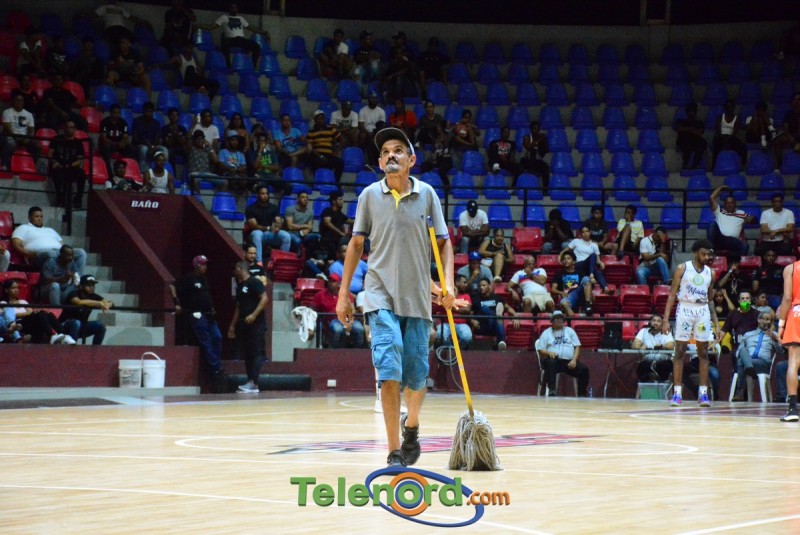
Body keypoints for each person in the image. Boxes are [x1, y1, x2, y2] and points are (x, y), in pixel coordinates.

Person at [336, 126, 455, 467]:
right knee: (389, 370)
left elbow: (444, 243)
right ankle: (393, 451)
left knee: (416, 376)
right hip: (379, 295)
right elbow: (356, 244)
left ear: (411, 160)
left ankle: (411, 427)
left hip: (417, 298)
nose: (391, 155)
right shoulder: (369, 196)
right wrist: (344, 294)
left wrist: (447, 284)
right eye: (386, 151)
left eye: (398, 150)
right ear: (379, 162)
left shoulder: (427, 195)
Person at [662, 239, 719, 407]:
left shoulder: (711, 273)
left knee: (703, 353)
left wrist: (716, 324)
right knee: (679, 351)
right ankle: (677, 394)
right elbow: (672, 295)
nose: (706, 257)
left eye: (708, 254)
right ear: (695, 252)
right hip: (685, 309)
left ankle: (703, 394)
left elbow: (710, 300)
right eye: (703, 254)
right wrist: (665, 320)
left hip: (702, 311)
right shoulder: (682, 268)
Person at [171, 255, 225, 387]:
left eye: (206, 264)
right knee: (206, 341)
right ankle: (216, 368)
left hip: (209, 314)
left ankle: (216, 364)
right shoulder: (189, 278)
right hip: (197, 314)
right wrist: (176, 303)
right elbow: (172, 286)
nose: (205, 267)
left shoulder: (204, 279)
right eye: (203, 264)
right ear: (197, 265)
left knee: (218, 337)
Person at [228, 261, 268, 393]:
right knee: (247, 353)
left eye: (235, 268)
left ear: (240, 269)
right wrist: (232, 325)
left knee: (256, 352)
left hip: (256, 324)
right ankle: (250, 381)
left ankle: (253, 382)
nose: (234, 271)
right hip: (244, 324)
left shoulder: (254, 282)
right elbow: (238, 307)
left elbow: (264, 299)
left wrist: (254, 315)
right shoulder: (240, 286)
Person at [12, 207, 87, 272]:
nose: (39, 219)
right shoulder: (23, 228)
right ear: (29, 217)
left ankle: (77, 279)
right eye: (36, 217)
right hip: (38, 256)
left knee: (81, 253)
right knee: (51, 253)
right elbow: (16, 245)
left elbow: (62, 244)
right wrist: (29, 254)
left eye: (41, 217)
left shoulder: (50, 230)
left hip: (58, 253)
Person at [1, 279, 75, 344]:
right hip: (18, 324)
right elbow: (8, 316)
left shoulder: (22, 301)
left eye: (17, 288)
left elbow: (30, 311)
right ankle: (51, 336)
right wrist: (25, 313)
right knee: (41, 313)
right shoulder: (3, 303)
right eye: (13, 288)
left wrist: (19, 314)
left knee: (49, 314)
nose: (16, 290)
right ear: (6, 290)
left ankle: (64, 335)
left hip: (29, 322)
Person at [198, 2, 267, 67]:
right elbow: (211, 27)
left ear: (237, 9)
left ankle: (253, 66)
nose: (234, 9)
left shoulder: (241, 18)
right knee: (224, 43)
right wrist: (199, 25)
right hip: (230, 40)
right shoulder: (224, 17)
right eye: (232, 7)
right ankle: (228, 66)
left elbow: (252, 28)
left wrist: (264, 32)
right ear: (229, 9)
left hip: (240, 39)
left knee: (257, 46)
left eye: (235, 8)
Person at [537, 310, 590, 396]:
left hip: (569, 362)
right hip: (554, 360)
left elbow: (577, 346)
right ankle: (552, 390)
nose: (559, 320)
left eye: (561, 318)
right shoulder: (546, 333)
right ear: (552, 321)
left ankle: (582, 394)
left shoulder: (570, 331)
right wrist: (549, 353)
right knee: (550, 363)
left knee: (584, 369)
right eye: (557, 318)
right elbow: (540, 350)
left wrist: (574, 360)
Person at [732, 311, 781, 400]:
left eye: (770, 320)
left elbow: (780, 351)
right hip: (749, 359)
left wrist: (775, 339)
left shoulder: (774, 335)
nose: (768, 322)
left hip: (763, 363)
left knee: (740, 362)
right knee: (742, 350)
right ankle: (749, 367)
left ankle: (740, 392)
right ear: (759, 320)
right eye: (766, 319)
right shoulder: (748, 334)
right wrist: (746, 359)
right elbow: (737, 353)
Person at [311, 272, 364, 349]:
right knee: (337, 329)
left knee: (359, 328)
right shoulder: (320, 295)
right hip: (331, 320)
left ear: (339, 284)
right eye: (329, 281)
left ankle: (356, 349)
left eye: (333, 281)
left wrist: (347, 321)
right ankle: (336, 350)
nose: (330, 283)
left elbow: (352, 310)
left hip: (347, 319)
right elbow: (312, 308)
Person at [60, 275, 112, 345]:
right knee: (76, 323)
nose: (91, 287)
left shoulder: (93, 296)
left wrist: (108, 304)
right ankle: (71, 348)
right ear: (81, 286)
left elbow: (108, 302)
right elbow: (79, 302)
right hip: (65, 325)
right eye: (88, 285)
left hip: (82, 325)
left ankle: (96, 350)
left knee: (101, 325)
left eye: (93, 285)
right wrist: (99, 303)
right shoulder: (73, 294)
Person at [778, 256, 800, 421]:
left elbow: (787, 298)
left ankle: (793, 410)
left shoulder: (791, 269)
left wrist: (781, 324)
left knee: (793, 362)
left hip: (797, 314)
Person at [245, 186, 291, 263]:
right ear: (258, 195)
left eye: (266, 193)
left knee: (286, 236)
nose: (265, 195)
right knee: (257, 234)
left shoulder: (273, 207)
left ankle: (282, 261)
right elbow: (255, 226)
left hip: (270, 234)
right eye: (262, 193)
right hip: (257, 233)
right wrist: (268, 228)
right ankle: (259, 262)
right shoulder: (250, 208)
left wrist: (278, 226)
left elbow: (278, 220)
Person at [707, 185, 755, 256]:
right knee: (712, 224)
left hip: (732, 241)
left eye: (731, 203)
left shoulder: (741, 213)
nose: (729, 205)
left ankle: (738, 262)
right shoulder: (719, 211)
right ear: (724, 204)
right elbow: (711, 197)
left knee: (745, 245)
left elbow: (753, 220)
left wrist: (751, 218)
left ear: (735, 204)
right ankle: (710, 251)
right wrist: (720, 187)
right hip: (719, 239)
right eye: (727, 203)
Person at [50, 120, 87, 208]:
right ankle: (60, 198)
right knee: (57, 173)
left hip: (71, 167)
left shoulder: (78, 143)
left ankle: (78, 198)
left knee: (82, 174)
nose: (69, 129)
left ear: (74, 129)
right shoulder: (57, 139)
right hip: (59, 166)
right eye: (67, 127)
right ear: (64, 128)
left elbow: (80, 160)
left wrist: (69, 165)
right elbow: (50, 153)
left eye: (71, 127)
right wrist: (54, 162)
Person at [633, 314, 676, 383]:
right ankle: (646, 386)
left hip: (663, 362)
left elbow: (671, 345)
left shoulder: (666, 332)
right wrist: (642, 346)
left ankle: (662, 385)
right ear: (650, 322)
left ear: (662, 324)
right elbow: (634, 345)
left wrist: (662, 346)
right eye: (654, 320)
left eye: (658, 321)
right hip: (647, 361)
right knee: (641, 367)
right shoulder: (643, 331)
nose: (655, 323)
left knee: (667, 365)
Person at [435, 274, 473, 349]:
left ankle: (456, 350)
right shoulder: (444, 294)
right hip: (445, 323)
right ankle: (451, 350)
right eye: (464, 282)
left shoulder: (466, 296)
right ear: (457, 283)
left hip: (461, 323)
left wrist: (451, 307)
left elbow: (467, 310)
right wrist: (455, 294)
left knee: (467, 337)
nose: (466, 285)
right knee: (441, 335)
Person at [305, 110, 344, 183]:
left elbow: (342, 140)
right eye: (318, 119)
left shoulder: (331, 129)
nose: (320, 121)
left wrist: (336, 152)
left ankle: (336, 182)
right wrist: (320, 156)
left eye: (322, 118)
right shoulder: (311, 132)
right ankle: (317, 183)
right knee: (314, 162)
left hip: (329, 155)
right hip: (317, 155)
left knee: (340, 163)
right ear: (315, 120)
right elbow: (310, 147)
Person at [552, 250, 593, 317]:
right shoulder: (559, 273)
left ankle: (587, 305)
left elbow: (587, 282)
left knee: (586, 278)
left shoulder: (580, 273)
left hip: (578, 294)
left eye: (568, 258)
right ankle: (574, 320)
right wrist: (561, 293)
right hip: (568, 297)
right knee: (564, 303)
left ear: (574, 261)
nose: (566, 260)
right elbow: (553, 289)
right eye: (564, 259)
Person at [1, 93, 37, 170]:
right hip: (11, 136)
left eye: (21, 100)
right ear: (13, 101)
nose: (19, 102)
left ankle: (33, 165)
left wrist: (28, 138)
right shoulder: (7, 112)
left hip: (24, 137)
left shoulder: (28, 114)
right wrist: (16, 137)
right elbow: (7, 128)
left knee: (37, 146)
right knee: (11, 144)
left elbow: (31, 129)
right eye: (17, 100)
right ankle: (5, 165)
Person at [132, 102, 167, 171]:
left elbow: (157, 137)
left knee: (164, 149)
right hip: (140, 144)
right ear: (144, 111)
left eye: (151, 112)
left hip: (152, 145)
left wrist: (152, 146)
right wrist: (146, 143)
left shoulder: (156, 123)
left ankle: (164, 170)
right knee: (144, 149)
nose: (149, 114)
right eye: (147, 111)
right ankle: (143, 171)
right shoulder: (137, 121)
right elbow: (135, 138)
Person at [711, 100, 746, 168]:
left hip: (731, 137)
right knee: (716, 145)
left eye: (731, 107)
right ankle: (714, 165)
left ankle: (741, 165)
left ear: (733, 108)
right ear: (725, 108)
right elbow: (718, 130)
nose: (730, 108)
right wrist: (723, 137)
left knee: (742, 146)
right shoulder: (720, 118)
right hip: (721, 137)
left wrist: (729, 138)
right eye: (728, 107)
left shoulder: (737, 119)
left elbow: (735, 132)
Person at [99, 104, 132, 173]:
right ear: (110, 112)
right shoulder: (104, 122)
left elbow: (125, 136)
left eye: (119, 113)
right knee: (106, 145)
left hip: (118, 144)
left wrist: (123, 142)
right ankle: (108, 169)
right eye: (115, 112)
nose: (117, 115)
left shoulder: (123, 123)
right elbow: (103, 137)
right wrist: (115, 144)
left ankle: (126, 169)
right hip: (109, 144)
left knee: (130, 147)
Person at [319, 191, 352, 261]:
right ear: (334, 202)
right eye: (340, 199)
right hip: (328, 238)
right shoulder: (327, 211)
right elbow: (327, 223)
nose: (342, 201)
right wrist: (340, 233)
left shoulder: (340, 214)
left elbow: (350, 221)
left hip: (338, 239)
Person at [675, 102, 707, 170]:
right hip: (683, 141)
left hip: (695, 141)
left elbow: (699, 133)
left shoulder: (699, 123)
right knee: (686, 142)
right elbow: (679, 128)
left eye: (693, 111)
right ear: (686, 112)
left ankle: (695, 165)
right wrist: (692, 129)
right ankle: (686, 164)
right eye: (690, 111)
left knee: (703, 143)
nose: (691, 113)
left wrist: (686, 129)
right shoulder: (681, 121)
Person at [520, 121, 550, 192]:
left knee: (546, 167)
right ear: (531, 129)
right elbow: (528, 147)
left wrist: (544, 141)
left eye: (538, 129)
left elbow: (546, 151)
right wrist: (538, 140)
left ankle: (545, 189)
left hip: (537, 161)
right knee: (533, 150)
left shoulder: (542, 139)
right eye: (534, 129)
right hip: (526, 160)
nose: (536, 131)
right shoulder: (526, 137)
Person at [358, 92, 386, 163]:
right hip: (365, 131)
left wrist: (375, 132)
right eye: (372, 98)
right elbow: (361, 125)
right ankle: (361, 157)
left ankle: (376, 161)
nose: (374, 100)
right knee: (363, 136)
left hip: (377, 131)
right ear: (368, 99)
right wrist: (368, 133)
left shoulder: (381, 111)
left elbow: (382, 125)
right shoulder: (362, 110)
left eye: (375, 98)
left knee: (378, 137)